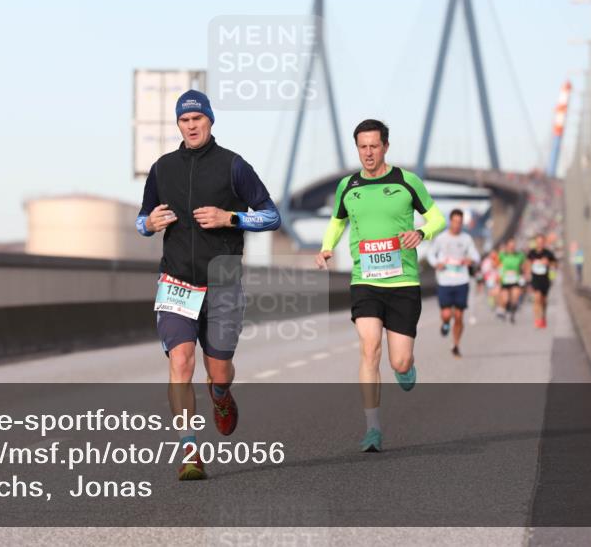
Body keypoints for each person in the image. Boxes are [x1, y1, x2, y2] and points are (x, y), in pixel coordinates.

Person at [136, 89, 280, 480]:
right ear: (178, 125)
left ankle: (220, 394)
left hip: (222, 285)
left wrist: (230, 218)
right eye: (185, 120)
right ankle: (189, 450)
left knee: (219, 371)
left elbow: (271, 215)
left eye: (198, 118)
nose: (192, 125)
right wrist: (148, 225)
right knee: (180, 363)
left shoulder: (233, 166)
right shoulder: (162, 168)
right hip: (177, 282)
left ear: (210, 120)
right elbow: (142, 219)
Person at [314, 119, 445, 453]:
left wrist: (422, 233)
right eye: (362, 147)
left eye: (374, 146)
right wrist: (327, 246)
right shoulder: (349, 186)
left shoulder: (406, 181)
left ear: (385, 146)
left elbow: (437, 217)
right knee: (369, 347)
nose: (368, 153)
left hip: (403, 282)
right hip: (365, 281)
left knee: (398, 361)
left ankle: (406, 368)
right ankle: (372, 429)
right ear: (356, 148)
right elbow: (337, 221)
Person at [426, 208, 480, 358]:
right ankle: (445, 323)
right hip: (444, 280)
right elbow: (431, 254)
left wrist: (472, 259)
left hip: (461, 280)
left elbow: (475, 254)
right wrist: (437, 263)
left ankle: (455, 344)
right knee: (446, 314)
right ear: (450, 221)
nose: (457, 225)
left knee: (459, 316)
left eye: (460, 222)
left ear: (462, 223)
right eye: (455, 222)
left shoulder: (466, 239)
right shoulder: (441, 238)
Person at [527, 233, 558, 329]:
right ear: (535, 243)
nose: (539, 244)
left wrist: (548, 263)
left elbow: (555, 265)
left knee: (543, 300)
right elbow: (527, 264)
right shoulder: (531, 253)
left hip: (545, 279)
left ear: (544, 243)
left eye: (541, 242)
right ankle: (537, 320)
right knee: (537, 298)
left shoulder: (548, 253)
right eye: (538, 242)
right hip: (535, 279)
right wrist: (527, 274)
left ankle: (543, 316)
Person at [496, 238, 527, 323]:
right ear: (507, 246)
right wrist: (499, 274)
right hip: (505, 280)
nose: (512, 247)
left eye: (513, 246)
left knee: (515, 296)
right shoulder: (502, 255)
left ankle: (512, 313)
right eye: (510, 246)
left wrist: (524, 274)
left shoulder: (520, 255)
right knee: (505, 299)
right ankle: (504, 310)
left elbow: (524, 265)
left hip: (515, 279)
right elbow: (496, 264)